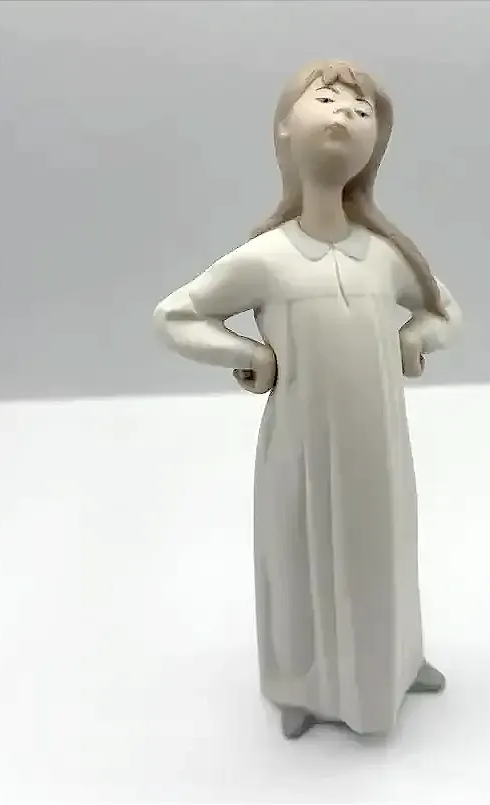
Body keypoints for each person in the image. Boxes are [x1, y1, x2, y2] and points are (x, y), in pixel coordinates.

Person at [153, 60, 462, 739]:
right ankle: (301, 684)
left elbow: (444, 311)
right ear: (284, 128)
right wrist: (249, 354)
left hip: (378, 444)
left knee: (382, 549)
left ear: (376, 143)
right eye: (326, 99)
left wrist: (416, 338)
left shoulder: (386, 256)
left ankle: (396, 661)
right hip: (301, 443)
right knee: (301, 554)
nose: (345, 114)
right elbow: (176, 316)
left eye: (362, 110)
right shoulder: (266, 258)